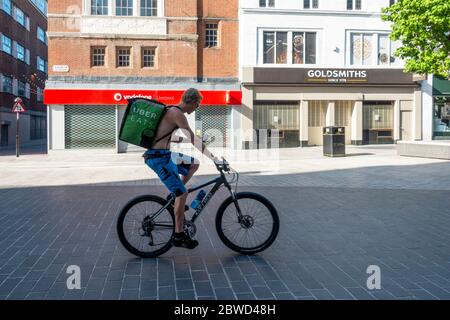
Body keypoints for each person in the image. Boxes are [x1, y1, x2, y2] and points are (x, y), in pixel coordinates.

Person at [144, 88, 218, 249]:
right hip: (159, 158)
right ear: (191, 101)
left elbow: (169, 135)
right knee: (182, 194)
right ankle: (178, 235)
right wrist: (213, 158)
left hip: (166, 154)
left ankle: (176, 195)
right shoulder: (178, 113)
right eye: (197, 105)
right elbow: (192, 138)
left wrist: (193, 141)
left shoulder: (172, 110)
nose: (196, 108)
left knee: (193, 164)